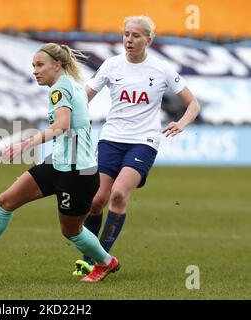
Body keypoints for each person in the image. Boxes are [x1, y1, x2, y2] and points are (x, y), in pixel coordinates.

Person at [0, 43, 120, 282]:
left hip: (77, 172)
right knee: (6, 200)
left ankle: (106, 262)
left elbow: (62, 126)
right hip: (58, 164)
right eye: (33, 66)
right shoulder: (67, 85)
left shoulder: (60, 89)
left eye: (40, 65)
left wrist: (27, 144)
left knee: (71, 231)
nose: (35, 71)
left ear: (57, 66)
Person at [73, 15, 201, 276]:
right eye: (126, 34)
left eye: (136, 36)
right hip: (111, 139)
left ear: (148, 40)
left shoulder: (161, 69)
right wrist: (71, 117)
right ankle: (89, 258)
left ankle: (102, 264)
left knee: (119, 194)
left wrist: (183, 122)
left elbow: (193, 104)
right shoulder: (111, 65)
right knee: (96, 200)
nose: (129, 40)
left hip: (144, 142)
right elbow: (83, 97)